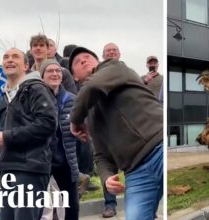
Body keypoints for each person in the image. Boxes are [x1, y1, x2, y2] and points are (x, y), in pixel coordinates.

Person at [69, 47, 163, 219]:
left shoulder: (116, 68)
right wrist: (106, 178)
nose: (82, 60)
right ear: (74, 76)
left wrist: (74, 121)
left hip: (159, 147)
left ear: (98, 62)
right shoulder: (89, 113)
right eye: (77, 62)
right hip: (136, 171)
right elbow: (100, 154)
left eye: (87, 57)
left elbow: (94, 86)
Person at [0, 48, 58, 219]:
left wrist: (7, 137)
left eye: (15, 57)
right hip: (8, 170)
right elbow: (6, 134)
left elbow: (48, 124)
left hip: (30, 169)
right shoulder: (5, 96)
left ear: (26, 65)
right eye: (6, 57)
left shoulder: (36, 89)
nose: (9, 60)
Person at [40, 59, 80, 220]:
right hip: (42, 162)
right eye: (50, 71)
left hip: (66, 161)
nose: (55, 74)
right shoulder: (36, 99)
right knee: (40, 208)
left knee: (71, 208)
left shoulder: (72, 99)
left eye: (58, 71)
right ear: (42, 76)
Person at [97, 42, 122, 218]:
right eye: (108, 51)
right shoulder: (98, 75)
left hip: (126, 130)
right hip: (106, 130)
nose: (111, 53)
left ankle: (143, 206)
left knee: (135, 170)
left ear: (119, 54)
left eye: (114, 50)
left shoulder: (127, 72)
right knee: (108, 169)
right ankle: (110, 205)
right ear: (103, 55)